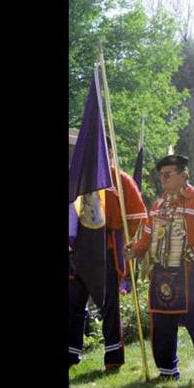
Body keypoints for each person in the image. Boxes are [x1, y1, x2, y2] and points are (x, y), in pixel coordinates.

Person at [125, 154, 194, 383]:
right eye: (161, 176)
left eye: (168, 175)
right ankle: (167, 371)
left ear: (184, 175)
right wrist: (136, 249)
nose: (163, 180)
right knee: (161, 322)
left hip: (190, 271)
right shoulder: (160, 204)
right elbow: (150, 234)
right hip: (161, 272)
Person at [69, 141, 147, 371]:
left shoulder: (120, 179)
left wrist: (122, 235)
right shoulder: (76, 177)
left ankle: (113, 357)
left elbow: (137, 214)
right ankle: (71, 353)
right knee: (73, 303)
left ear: (109, 153)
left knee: (109, 305)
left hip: (107, 251)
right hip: (78, 253)